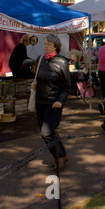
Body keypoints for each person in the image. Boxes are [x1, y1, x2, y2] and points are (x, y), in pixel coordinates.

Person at [31, 34, 71, 170]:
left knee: (46, 132)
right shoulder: (40, 59)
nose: (45, 46)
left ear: (55, 46)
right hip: (40, 101)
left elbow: (67, 86)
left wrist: (60, 100)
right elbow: (38, 78)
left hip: (54, 103)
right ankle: (62, 154)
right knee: (47, 133)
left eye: (48, 44)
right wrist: (35, 84)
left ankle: (59, 156)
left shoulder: (62, 62)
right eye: (44, 44)